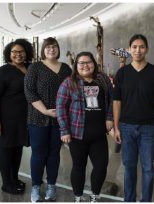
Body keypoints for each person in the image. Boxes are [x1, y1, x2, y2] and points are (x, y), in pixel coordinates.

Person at [112, 34, 154, 202]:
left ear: (147, 49)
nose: (138, 50)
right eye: (134, 47)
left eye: (141, 47)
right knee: (129, 168)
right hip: (126, 127)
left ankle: (146, 200)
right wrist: (116, 126)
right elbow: (117, 102)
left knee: (148, 169)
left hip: (148, 128)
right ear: (129, 50)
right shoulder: (122, 73)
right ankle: (129, 199)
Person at [56, 51, 113, 202]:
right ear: (76, 66)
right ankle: (78, 197)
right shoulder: (69, 82)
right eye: (81, 63)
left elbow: (112, 100)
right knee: (79, 166)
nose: (85, 66)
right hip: (77, 134)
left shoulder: (102, 79)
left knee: (101, 166)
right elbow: (60, 107)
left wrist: (109, 118)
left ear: (94, 64)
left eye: (88, 62)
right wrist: (64, 130)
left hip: (99, 134)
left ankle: (95, 195)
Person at [24, 37, 72, 202]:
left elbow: (72, 91)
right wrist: (45, 111)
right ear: (43, 49)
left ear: (58, 49)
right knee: (38, 154)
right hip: (38, 118)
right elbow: (29, 92)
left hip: (60, 119)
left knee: (54, 154)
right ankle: (36, 187)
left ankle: (51, 185)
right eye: (48, 47)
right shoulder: (35, 67)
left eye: (55, 47)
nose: (51, 49)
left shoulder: (65, 68)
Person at [0, 38, 33, 194]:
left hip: (22, 121)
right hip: (5, 120)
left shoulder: (30, 68)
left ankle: (14, 179)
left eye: (21, 51)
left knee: (17, 150)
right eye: (14, 52)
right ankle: (7, 183)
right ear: (9, 54)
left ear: (26, 52)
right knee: (6, 151)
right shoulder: (2, 72)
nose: (18, 55)